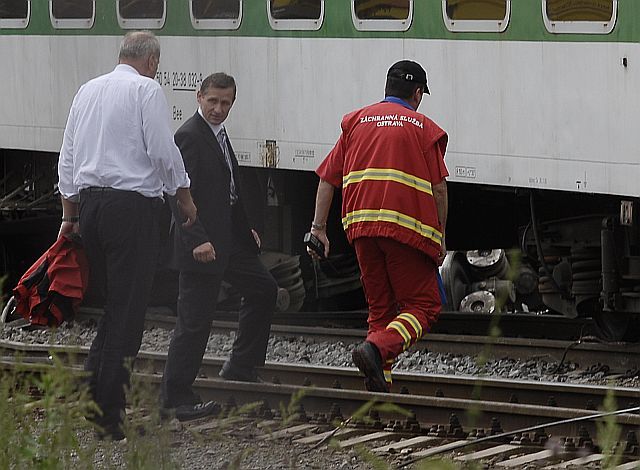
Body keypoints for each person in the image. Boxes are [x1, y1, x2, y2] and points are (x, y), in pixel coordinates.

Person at [57, 31, 198, 440]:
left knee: (113, 307)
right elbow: (161, 150)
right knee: (129, 309)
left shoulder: (87, 90)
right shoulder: (146, 90)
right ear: (152, 62)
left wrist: (70, 213)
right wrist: (184, 196)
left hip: (93, 208)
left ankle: (94, 397)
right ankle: (109, 416)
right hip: (131, 209)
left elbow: (67, 153)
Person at [308, 60, 449, 393]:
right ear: (417, 93)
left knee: (381, 310)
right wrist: (440, 235)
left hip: (360, 228)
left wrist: (318, 229)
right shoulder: (422, 127)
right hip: (404, 229)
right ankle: (375, 350)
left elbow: (328, 178)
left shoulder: (356, 122)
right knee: (424, 306)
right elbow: (439, 188)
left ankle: (379, 386)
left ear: (386, 89)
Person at [161, 73, 277, 414]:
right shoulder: (189, 136)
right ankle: (175, 397)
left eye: (225, 103)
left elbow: (229, 191)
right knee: (195, 321)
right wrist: (197, 239)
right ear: (199, 97)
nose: (218, 108)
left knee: (263, 289)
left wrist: (247, 230)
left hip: (229, 241)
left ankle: (241, 364)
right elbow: (177, 192)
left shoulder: (219, 135)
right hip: (201, 242)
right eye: (212, 101)